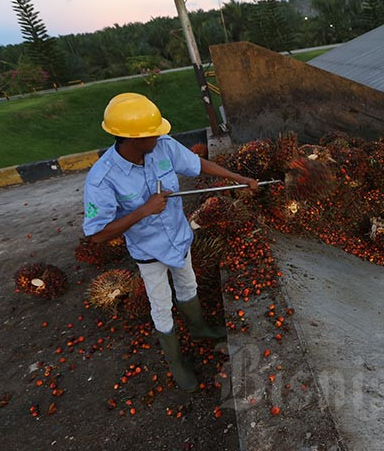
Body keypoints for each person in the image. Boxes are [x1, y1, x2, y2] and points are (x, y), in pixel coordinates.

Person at [83, 92, 257, 392]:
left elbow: (197, 164)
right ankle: (176, 360)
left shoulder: (161, 146)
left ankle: (199, 328)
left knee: (188, 285)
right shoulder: (102, 179)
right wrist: (143, 210)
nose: (162, 134)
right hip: (149, 253)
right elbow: (97, 234)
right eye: (154, 132)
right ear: (133, 139)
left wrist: (236, 177)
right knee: (161, 305)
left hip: (180, 238)